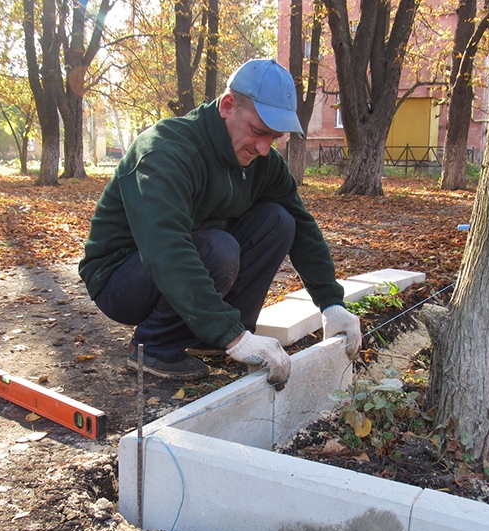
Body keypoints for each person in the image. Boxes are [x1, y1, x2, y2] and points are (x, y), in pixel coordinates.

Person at [78, 59, 361, 387]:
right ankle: (154, 348)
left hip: (186, 255)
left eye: (274, 137)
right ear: (228, 106)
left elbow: (301, 224)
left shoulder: (261, 161)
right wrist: (235, 337)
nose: (264, 148)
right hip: (120, 278)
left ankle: (211, 339)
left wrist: (331, 302)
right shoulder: (166, 152)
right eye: (258, 132)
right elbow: (166, 249)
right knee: (218, 248)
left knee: (279, 221)